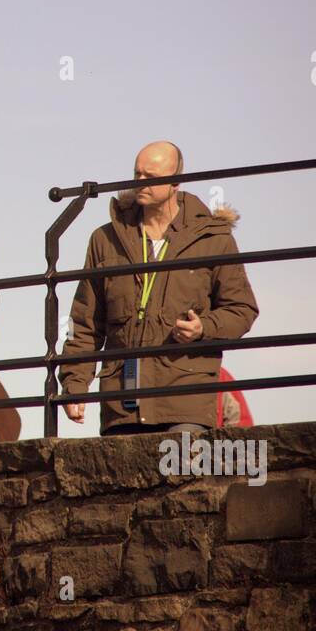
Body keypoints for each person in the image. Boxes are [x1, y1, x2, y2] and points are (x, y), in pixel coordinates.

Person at [59, 141, 259, 435]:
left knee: (182, 478)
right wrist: (75, 382)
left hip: (185, 400)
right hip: (121, 405)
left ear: (175, 181)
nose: (139, 183)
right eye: (136, 174)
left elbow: (243, 309)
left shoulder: (214, 239)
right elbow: (85, 321)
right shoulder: (104, 239)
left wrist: (204, 327)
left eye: (150, 177)